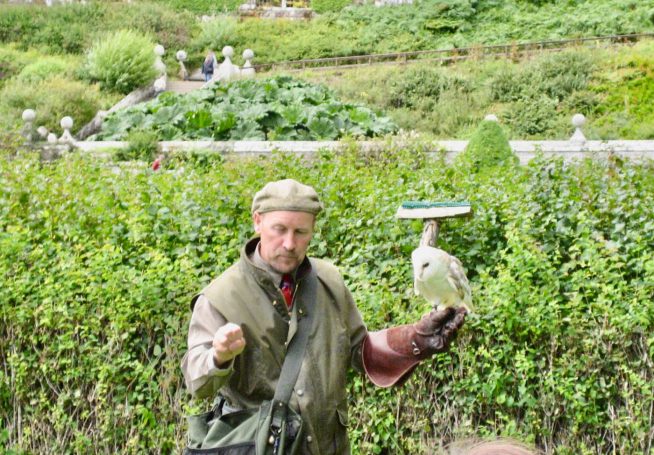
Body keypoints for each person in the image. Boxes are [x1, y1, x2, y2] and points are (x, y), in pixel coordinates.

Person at [181, 179, 467, 454]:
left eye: (300, 232)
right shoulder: (221, 296)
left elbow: (361, 352)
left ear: (313, 230)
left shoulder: (329, 281)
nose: (290, 243)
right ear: (257, 221)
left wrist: (413, 342)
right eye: (279, 229)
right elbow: (197, 384)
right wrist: (218, 357)